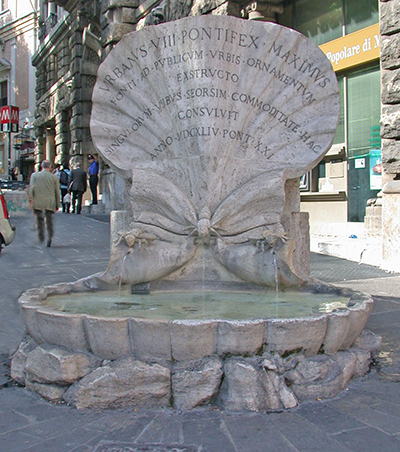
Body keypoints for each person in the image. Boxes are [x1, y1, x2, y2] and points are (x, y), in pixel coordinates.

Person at [28, 160, 60, 247]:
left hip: (37, 202)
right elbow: (57, 192)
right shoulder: (54, 177)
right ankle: (49, 237)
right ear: (49, 167)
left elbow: (31, 189)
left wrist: (31, 200)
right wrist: (57, 204)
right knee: (49, 221)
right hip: (49, 202)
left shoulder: (34, 176)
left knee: (39, 220)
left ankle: (41, 236)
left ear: (42, 166)